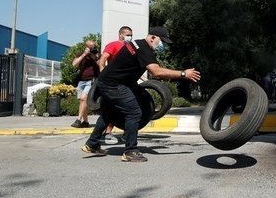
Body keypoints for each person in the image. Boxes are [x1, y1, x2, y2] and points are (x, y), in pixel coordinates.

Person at [80, 26, 200, 162]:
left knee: (109, 113)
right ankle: (130, 151)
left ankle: (92, 144)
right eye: (163, 42)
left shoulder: (137, 44)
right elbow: (157, 72)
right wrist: (183, 73)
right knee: (134, 113)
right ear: (153, 37)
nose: (164, 46)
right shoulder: (144, 49)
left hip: (110, 81)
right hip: (114, 84)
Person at [97, 26, 133, 144]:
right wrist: (103, 74)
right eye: (128, 34)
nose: (130, 37)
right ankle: (107, 133)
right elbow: (102, 60)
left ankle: (127, 133)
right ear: (121, 35)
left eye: (131, 35)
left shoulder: (130, 47)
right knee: (113, 107)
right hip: (113, 82)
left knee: (130, 107)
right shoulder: (113, 45)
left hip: (126, 81)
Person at [71, 40, 100, 127]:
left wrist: (94, 56)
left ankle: (78, 120)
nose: (92, 48)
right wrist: (84, 54)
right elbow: (74, 64)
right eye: (90, 47)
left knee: (84, 99)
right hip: (81, 80)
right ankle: (86, 122)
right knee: (82, 101)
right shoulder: (81, 54)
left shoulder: (97, 55)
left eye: (93, 46)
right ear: (86, 47)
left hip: (91, 80)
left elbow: (100, 64)